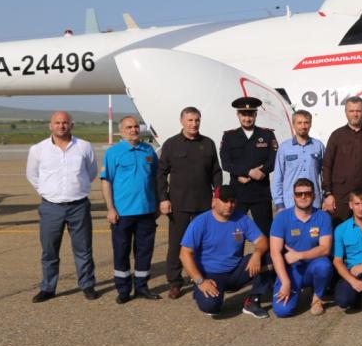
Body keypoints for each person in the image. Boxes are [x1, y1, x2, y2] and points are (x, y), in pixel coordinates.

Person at [25, 111, 98, 302]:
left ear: (71, 125)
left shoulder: (84, 146)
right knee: (49, 250)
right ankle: (48, 288)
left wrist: (77, 188)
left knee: (83, 249)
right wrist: (47, 191)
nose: (61, 126)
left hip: (79, 206)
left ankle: (87, 285)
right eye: (57, 123)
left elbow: (91, 172)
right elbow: (32, 175)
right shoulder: (38, 149)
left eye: (65, 122)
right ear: (50, 125)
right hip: (51, 207)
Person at [157, 106, 223, 299]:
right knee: (176, 245)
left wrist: (217, 196)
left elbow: (216, 172)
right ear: (182, 122)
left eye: (197, 120)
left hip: (204, 204)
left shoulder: (208, 143)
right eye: (190, 120)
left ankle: (202, 277)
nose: (194, 124)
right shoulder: (171, 144)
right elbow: (161, 174)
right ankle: (175, 282)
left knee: (205, 244)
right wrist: (163, 198)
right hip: (179, 205)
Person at [179, 185, 271, 319]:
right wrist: (200, 281)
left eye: (232, 201)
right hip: (211, 275)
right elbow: (185, 254)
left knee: (268, 257)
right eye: (224, 201)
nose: (229, 205)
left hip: (235, 271)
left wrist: (257, 254)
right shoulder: (200, 222)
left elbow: (262, 240)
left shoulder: (242, 219)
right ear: (214, 201)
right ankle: (200, 292)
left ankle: (253, 301)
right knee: (211, 308)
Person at [101, 116, 160, 303]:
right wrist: (110, 208)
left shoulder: (148, 150)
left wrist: (157, 203)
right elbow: (106, 181)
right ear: (121, 130)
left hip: (146, 211)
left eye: (136, 126)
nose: (133, 130)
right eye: (129, 127)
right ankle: (124, 289)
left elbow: (156, 179)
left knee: (144, 252)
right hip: (122, 213)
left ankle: (142, 287)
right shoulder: (113, 153)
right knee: (121, 252)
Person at [269, 178, 333, 318]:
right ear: (294, 196)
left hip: (313, 266)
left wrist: (300, 255)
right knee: (282, 311)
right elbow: (275, 252)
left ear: (314, 196)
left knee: (324, 265)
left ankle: (317, 299)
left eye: (307, 193)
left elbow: (325, 249)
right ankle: (290, 286)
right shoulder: (281, 218)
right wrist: (285, 282)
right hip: (292, 270)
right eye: (299, 194)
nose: (303, 197)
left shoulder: (323, 217)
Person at [220, 97, 278, 236]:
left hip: (260, 193)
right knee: (235, 234)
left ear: (256, 114)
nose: (247, 118)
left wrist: (262, 171)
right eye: (243, 114)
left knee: (265, 233)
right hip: (237, 194)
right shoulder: (229, 136)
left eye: (250, 114)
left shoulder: (267, 134)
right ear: (238, 115)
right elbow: (226, 163)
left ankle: (265, 252)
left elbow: (274, 159)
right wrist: (248, 172)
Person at [322, 97, 362, 223]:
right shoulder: (336, 136)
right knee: (340, 229)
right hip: (341, 196)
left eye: (358, 111)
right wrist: (328, 194)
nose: (355, 114)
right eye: (351, 111)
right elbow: (327, 165)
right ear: (346, 112)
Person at [272, 110, 324, 212]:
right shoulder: (284, 148)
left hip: (314, 202)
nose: (303, 126)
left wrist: (326, 197)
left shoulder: (318, 146)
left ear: (310, 124)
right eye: (299, 123)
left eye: (306, 122)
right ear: (293, 125)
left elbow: (325, 175)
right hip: (290, 203)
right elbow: (278, 177)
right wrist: (279, 203)